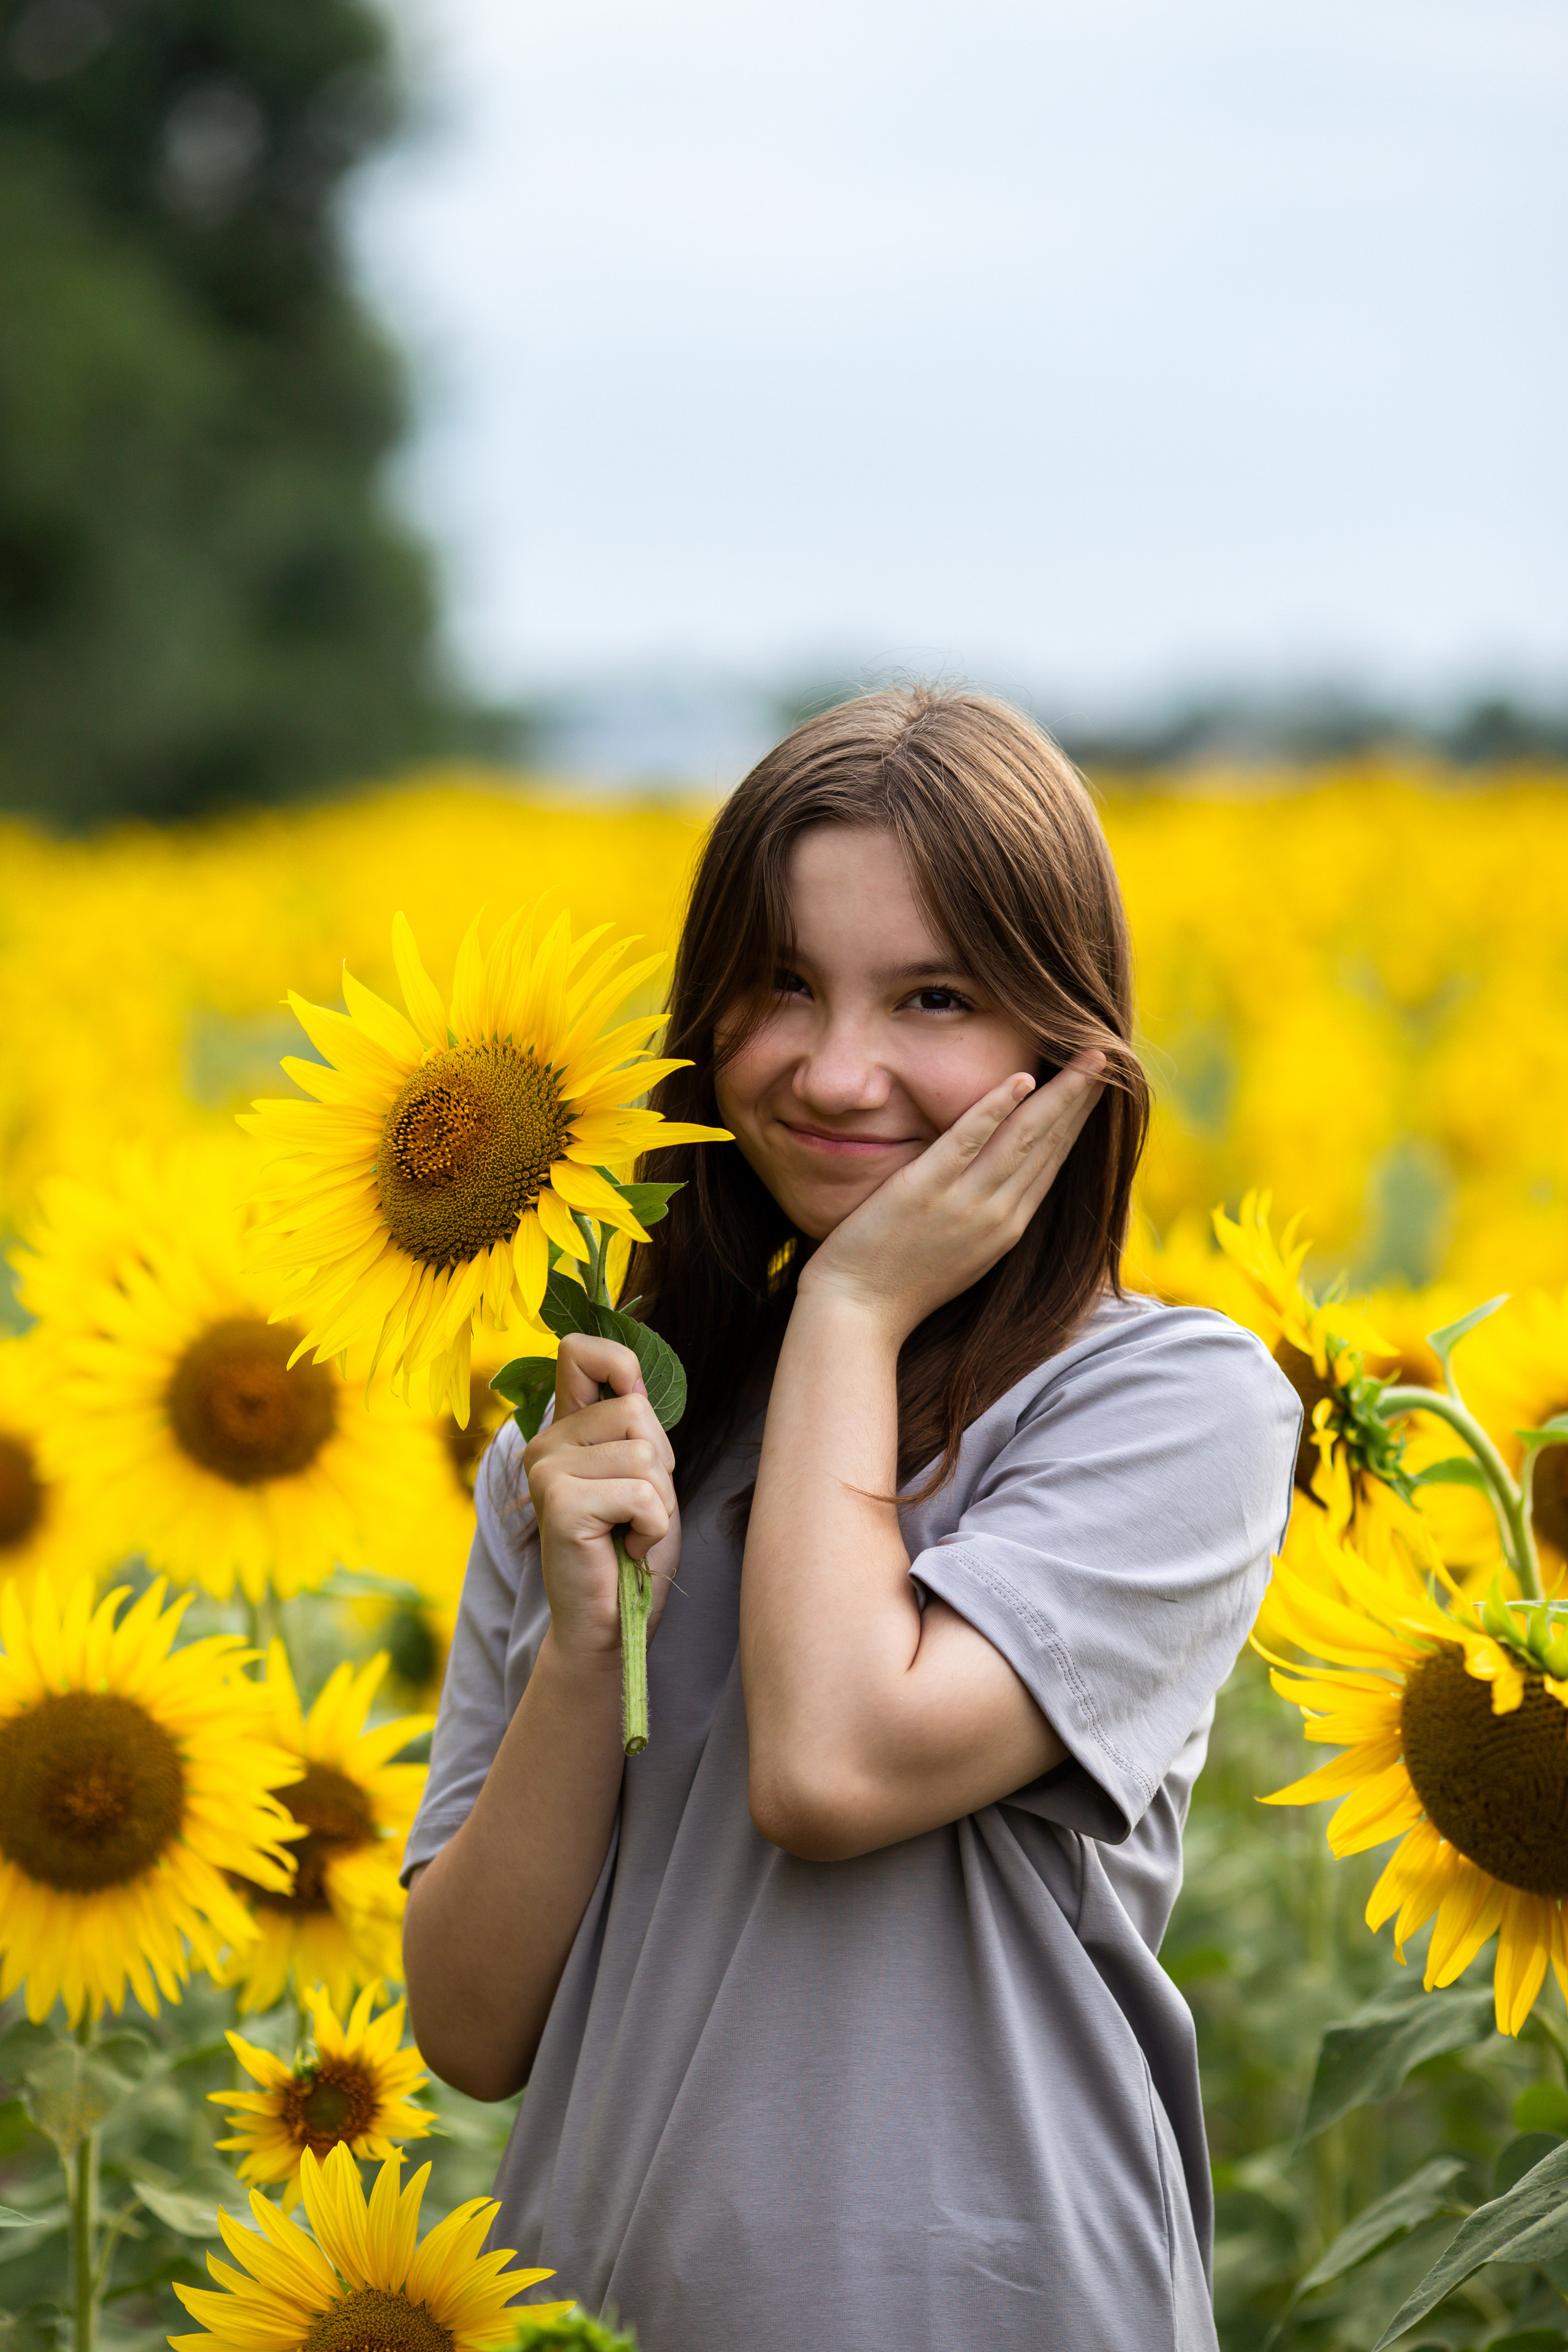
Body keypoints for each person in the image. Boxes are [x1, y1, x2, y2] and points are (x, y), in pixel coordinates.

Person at [401, 686, 1300, 2352]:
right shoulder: (599, 1426)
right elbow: (470, 2023)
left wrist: (851, 1313)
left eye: (933, 996)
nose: (834, 1068)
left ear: (1063, 1041)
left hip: (982, 2306)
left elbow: (832, 1769)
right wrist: (590, 1644)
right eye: (782, 986)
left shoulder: (1168, 1404)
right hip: (603, 2311)